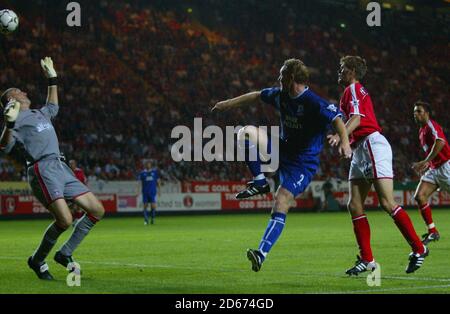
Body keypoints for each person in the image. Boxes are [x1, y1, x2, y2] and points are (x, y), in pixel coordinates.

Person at [212, 58, 352, 272]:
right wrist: (226, 104)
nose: (278, 79)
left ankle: (261, 253)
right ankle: (259, 181)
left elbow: (337, 120)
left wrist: (344, 142)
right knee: (245, 132)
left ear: (293, 78)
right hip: (282, 148)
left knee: (282, 200)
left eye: (282, 76)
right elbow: (256, 95)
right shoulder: (281, 95)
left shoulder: (314, 102)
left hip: (302, 163)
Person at [0, 57, 105, 280]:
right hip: (42, 170)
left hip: (60, 166)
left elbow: (53, 107)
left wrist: (52, 79)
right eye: (19, 91)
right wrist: (8, 125)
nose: (24, 92)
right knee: (65, 220)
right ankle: (37, 260)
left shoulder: (39, 113)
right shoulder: (16, 120)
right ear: (11, 99)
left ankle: (64, 253)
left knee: (97, 210)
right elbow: (4, 147)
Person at [328, 55, 428, 275]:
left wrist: (339, 135)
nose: (339, 71)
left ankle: (419, 248)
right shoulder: (351, 91)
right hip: (361, 149)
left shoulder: (353, 89)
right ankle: (367, 260)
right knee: (354, 205)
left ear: (352, 71)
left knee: (387, 202)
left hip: (371, 144)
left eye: (343, 68)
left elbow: (357, 117)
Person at [412, 101, 450, 244]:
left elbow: (440, 142)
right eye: (414, 112)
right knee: (420, 196)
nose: (416, 114)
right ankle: (432, 231)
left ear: (427, 113)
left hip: (446, 167)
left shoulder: (431, 126)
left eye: (419, 111)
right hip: (435, 169)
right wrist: (429, 164)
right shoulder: (421, 131)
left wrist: (426, 161)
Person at [138, 160, 161, 225]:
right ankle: (146, 220)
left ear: (151, 165)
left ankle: (152, 218)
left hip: (152, 192)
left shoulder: (154, 172)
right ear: (145, 165)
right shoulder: (142, 173)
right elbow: (139, 182)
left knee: (153, 206)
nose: (148, 165)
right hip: (145, 192)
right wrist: (137, 191)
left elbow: (158, 181)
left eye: (149, 164)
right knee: (145, 206)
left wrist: (159, 190)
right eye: (147, 164)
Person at [69, 159, 88, 225]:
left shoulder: (79, 171)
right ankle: (75, 220)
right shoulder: (67, 171)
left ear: (75, 164)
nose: (71, 165)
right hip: (69, 192)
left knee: (78, 207)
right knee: (72, 208)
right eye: (70, 164)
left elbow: (84, 180)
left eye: (72, 163)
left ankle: (77, 220)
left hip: (79, 191)